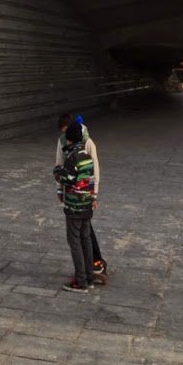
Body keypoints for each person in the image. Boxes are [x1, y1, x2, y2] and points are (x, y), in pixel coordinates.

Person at [55, 112, 107, 281]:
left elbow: (67, 174)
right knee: (85, 233)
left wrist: (95, 193)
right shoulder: (66, 144)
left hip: (76, 201)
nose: (64, 136)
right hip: (84, 199)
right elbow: (60, 161)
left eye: (65, 132)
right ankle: (90, 271)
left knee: (76, 238)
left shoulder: (86, 144)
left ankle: (86, 272)